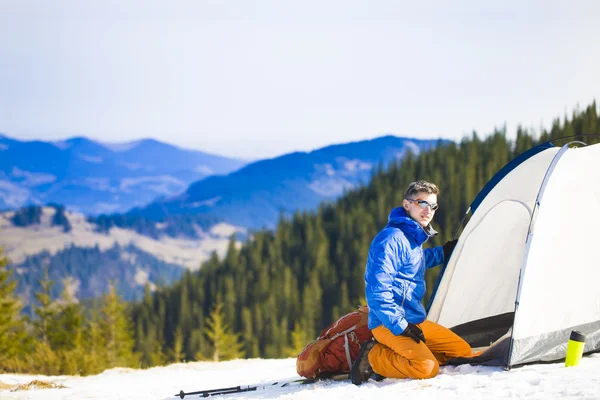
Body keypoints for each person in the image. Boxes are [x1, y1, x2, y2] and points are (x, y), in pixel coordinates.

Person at [351, 180, 472, 385]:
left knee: (462, 352)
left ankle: (406, 354)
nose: (428, 210)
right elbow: (377, 292)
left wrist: (442, 253)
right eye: (422, 203)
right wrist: (401, 326)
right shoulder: (390, 239)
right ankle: (374, 357)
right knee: (426, 368)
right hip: (389, 323)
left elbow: (415, 263)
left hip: (415, 320)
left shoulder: (411, 238)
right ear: (406, 205)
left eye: (433, 206)